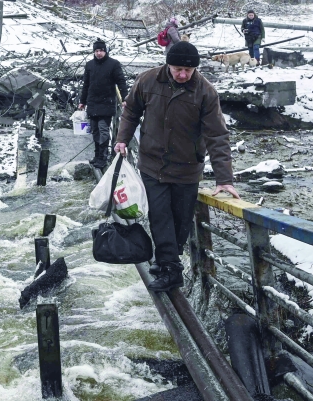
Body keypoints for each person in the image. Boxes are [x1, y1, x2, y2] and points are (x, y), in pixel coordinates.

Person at [113, 41, 239, 292]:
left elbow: (217, 135)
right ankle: (171, 270)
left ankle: (165, 260)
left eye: (188, 70)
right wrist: (122, 139)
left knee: (181, 221)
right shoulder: (147, 81)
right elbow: (131, 111)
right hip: (152, 164)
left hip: (187, 167)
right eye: (178, 69)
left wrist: (224, 179)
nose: (182, 74)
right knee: (160, 216)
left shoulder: (205, 92)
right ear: (168, 65)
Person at [78, 39, 128, 172]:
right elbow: (86, 85)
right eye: (96, 51)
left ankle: (103, 157)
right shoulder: (89, 65)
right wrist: (82, 101)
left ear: (105, 51)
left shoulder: (113, 64)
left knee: (103, 130)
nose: (99, 53)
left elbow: (121, 82)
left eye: (101, 50)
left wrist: (125, 98)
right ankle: (97, 156)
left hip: (107, 102)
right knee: (95, 130)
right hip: (92, 102)